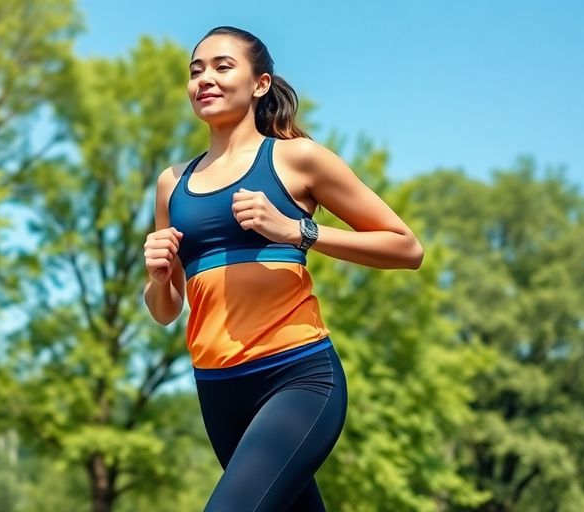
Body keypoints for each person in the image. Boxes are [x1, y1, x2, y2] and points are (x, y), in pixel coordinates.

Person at [142, 26, 424, 511]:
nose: (204, 79)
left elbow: (406, 247)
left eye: (222, 66)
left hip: (297, 378)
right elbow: (167, 311)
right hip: (218, 391)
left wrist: (299, 232)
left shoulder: (296, 159)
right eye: (196, 71)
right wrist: (159, 277)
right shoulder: (173, 184)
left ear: (260, 84)